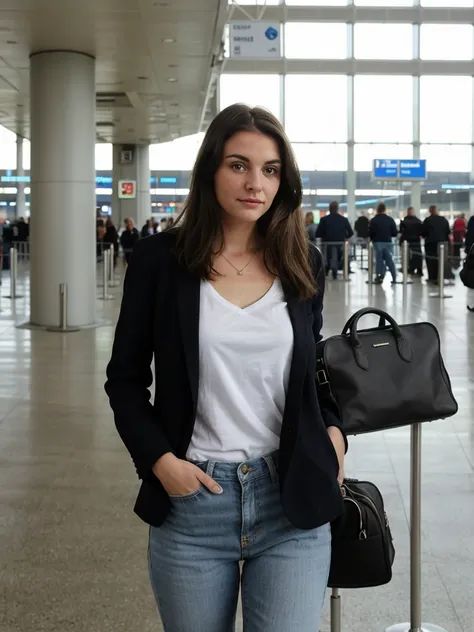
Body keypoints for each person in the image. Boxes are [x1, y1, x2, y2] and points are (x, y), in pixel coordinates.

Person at [105, 103, 346, 632]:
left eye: (270, 169)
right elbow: (124, 382)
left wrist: (334, 433)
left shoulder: (302, 260)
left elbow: (313, 366)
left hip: (291, 498)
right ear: (210, 168)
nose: (255, 183)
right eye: (238, 165)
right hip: (194, 502)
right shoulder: (159, 263)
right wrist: (160, 462)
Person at [316, 201, 353, 280]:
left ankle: (329, 270)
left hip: (327, 244)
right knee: (337, 257)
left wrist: (325, 235)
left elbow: (318, 233)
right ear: (337, 209)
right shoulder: (344, 219)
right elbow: (351, 232)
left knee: (329, 257)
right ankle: (335, 271)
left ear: (329, 209)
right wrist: (344, 236)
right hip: (340, 243)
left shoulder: (324, 220)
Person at [422, 205, 453, 284]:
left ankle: (432, 277)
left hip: (430, 244)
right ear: (437, 210)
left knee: (431, 261)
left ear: (430, 211)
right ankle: (442, 276)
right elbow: (448, 232)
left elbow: (423, 233)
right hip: (443, 243)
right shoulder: (443, 220)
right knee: (442, 261)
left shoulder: (427, 220)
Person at [369, 202, 398, 284]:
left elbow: (371, 233)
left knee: (379, 260)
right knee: (389, 260)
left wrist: (372, 239)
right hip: (388, 242)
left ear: (377, 210)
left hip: (377, 242)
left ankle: (380, 276)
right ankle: (394, 277)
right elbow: (394, 233)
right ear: (385, 210)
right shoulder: (390, 220)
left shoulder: (373, 220)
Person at [400, 207, 423, 277]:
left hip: (407, 242)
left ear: (408, 212)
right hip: (417, 241)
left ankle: (410, 269)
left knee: (408, 256)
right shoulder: (419, 221)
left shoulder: (404, 222)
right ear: (413, 212)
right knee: (418, 255)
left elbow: (401, 232)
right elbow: (422, 232)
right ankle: (419, 270)